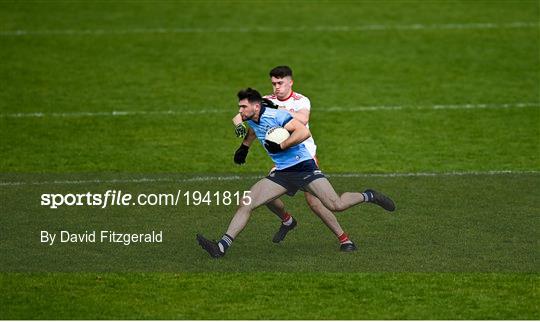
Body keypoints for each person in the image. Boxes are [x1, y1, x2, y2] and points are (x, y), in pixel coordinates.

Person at [196, 88, 395, 258]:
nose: (240, 110)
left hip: (303, 167)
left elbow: (303, 132)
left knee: (336, 204)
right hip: (282, 172)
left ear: (256, 106)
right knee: (247, 201)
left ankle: (368, 195)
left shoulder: (277, 115)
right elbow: (240, 120)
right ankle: (221, 246)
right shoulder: (252, 115)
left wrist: (282, 144)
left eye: (243, 107)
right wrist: (244, 145)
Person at [232, 66, 358, 252]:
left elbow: (303, 120)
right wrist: (244, 144)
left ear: (290, 82)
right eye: (274, 83)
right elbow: (243, 119)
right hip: (283, 162)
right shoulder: (265, 101)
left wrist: (276, 109)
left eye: (280, 83)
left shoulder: (300, 100)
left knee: (316, 203)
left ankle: (345, 240)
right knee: (266, 198)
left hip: (304, 156)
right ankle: (288, 220)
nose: (277, 87)